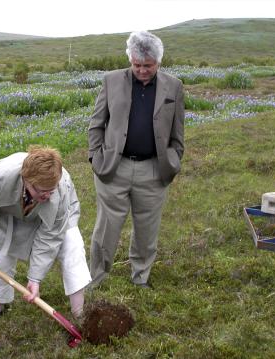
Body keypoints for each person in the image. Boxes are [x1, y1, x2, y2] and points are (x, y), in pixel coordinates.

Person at [88, 30, 185, 288]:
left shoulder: (174, 86)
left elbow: (178, 133)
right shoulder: (111, 81)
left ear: (159, 62)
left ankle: (140, 278)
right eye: (137, 65)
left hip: (153, 171)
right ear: (130, 59)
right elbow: (96, 124)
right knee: (106, 229)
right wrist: (95, 158)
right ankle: (95, 280)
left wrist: (173, 161)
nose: (142, 70)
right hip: (113, 169)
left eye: (148, 66)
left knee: (146, 231)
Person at [0, 146, 91, 322]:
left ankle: (79, 313)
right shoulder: (0, 176)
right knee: (3, 253)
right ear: (26, 179)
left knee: (72, 246)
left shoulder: (60, 191)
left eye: (50, 191)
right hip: (12, 211)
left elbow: (50, 237)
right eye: (40, 191)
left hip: (54, 219)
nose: (46, 195)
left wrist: (35, 278)